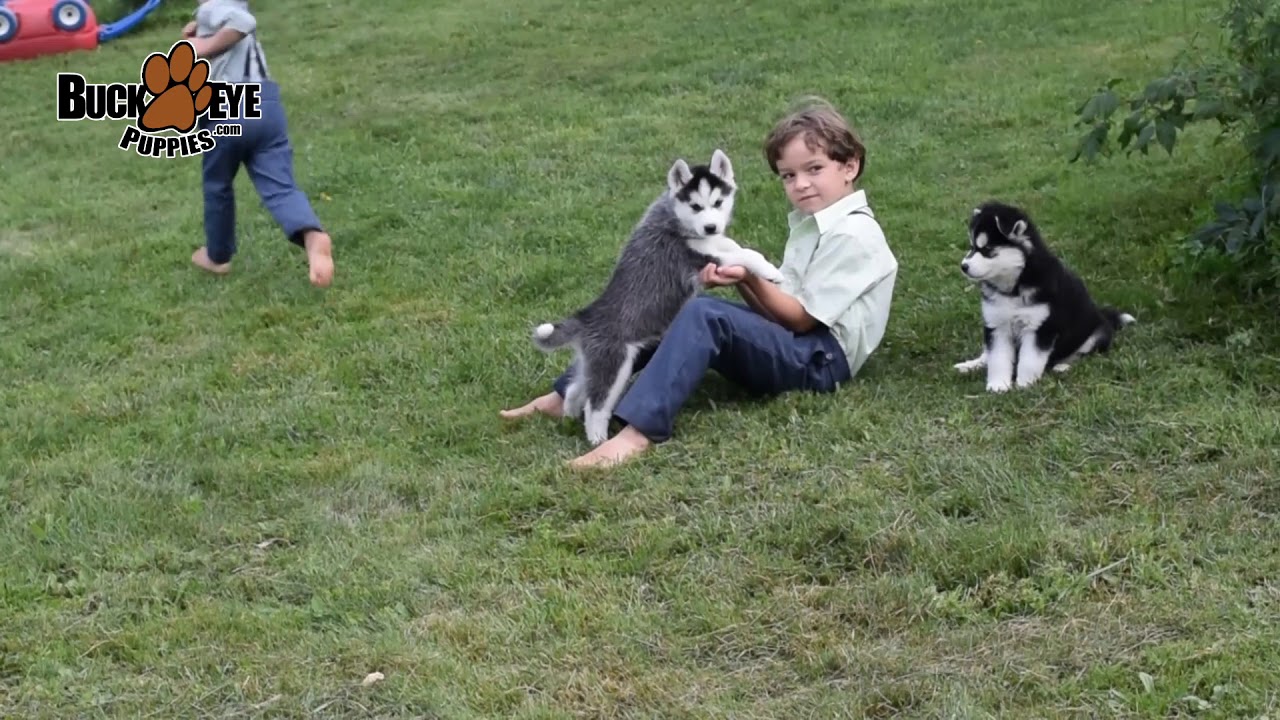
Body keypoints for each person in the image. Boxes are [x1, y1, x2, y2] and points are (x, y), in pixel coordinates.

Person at [502, 97, 898, 468]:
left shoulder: (853, 235)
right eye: (788, 176)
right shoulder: (813, 225)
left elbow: (800, 320)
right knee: (670, 313)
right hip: (800, 344)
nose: (801, 184)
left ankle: (634, 435)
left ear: (850, 166)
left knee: (705, 315)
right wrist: (741, 279)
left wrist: (747, 277)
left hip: (820, 363)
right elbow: (783, 308)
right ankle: (563, 396)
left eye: (815, 169)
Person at [183, 0, 334, 287]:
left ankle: (217, 256)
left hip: (228, 108)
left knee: (218, 185)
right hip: (266, 105)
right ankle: (312, 235)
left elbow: (242, 23)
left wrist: (204, 45)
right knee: (280, 186)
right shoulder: (223, 12)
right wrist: (195, 38)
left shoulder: (215, 7)